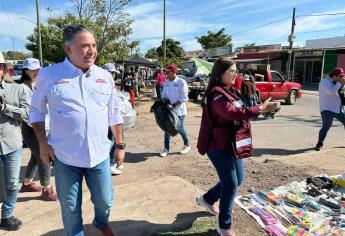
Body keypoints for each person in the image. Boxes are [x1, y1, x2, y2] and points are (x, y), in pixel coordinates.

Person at [30, 24, 125, 236]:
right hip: (65, 157)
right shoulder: (49, 75)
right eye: (84, 46)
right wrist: (43, 144)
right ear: (68, 49)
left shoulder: (104, 76)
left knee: (105, 200)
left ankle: (101, 222)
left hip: (100, 154)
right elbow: (36, 112)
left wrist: (120, 145)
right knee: (70, 208)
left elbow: (114, 114)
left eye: (93, 45)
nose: (91, 51)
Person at [195, 57, 279, 236]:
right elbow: (231, 113)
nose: (235, 74)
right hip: (218, 146)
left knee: (237, 180)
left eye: (235, 71)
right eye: (232, 71)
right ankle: (224, 226)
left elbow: (242, 111)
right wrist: (260, 109)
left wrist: (263, 108)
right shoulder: (216, 94)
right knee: (231, 184)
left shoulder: (231, 90)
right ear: (220, 74)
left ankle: (207, 199)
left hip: (233, 143)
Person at [17, 58, 57, 201]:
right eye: (32, 70)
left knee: (35, 156)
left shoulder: (36, 84)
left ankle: (27, 183)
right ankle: (46, 189)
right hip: (30, 128)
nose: (35, 72)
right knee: (43, 155)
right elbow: (27, 110)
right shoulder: (22, 87)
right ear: (25, 70)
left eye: (37, 70)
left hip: (39, 126)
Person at [0, 51, 30, 231]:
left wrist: (5, 107)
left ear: (3, 69)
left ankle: (7, 216)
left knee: (11, 184)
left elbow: (27, 113)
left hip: (11, 145)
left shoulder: (17, 89)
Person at [160, 64, 190, 157]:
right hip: (169, 110)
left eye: (167, 72)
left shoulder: (181, 82)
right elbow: (163, 95)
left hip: (179, 110)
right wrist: (164, 100)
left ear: (173, 72)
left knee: (179, 128)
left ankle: (187, 145)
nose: (166, 74)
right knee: (167, 129)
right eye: (166, 72)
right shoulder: (166, 82)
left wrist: (173, 105)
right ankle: (166, 148)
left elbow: (184, 98)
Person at [315, 68, 345, 151]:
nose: (342, 77)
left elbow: (342, 93)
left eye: (343, 76)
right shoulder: (324, 82)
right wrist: (340, 83)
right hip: (327, 109)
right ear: (334, 76)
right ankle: (320, 143)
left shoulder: (339, 83)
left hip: (339, 108)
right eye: (340, 76)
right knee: (326, 127)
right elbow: (331, 92)